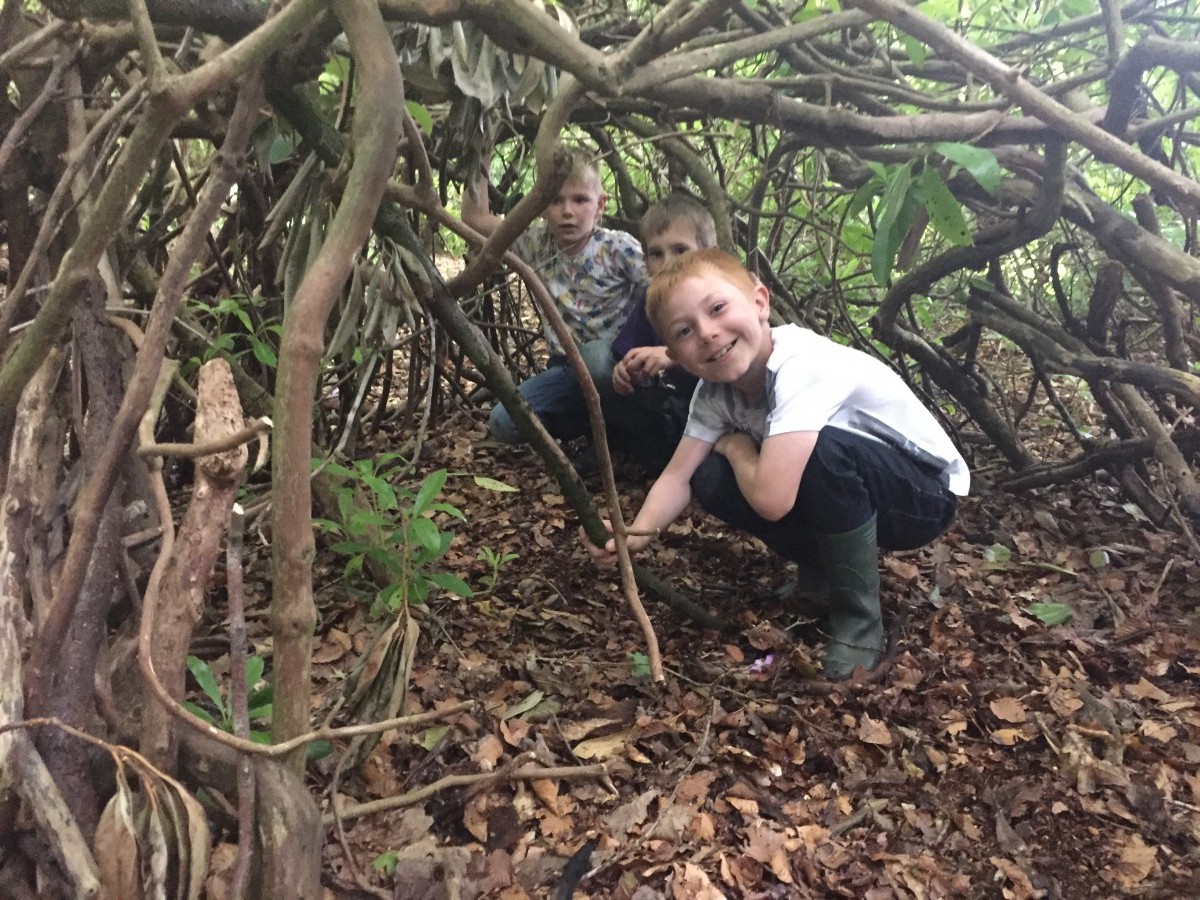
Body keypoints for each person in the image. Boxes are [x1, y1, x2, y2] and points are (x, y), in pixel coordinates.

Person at [583, 248, 969, 680]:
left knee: (820, 452)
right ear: (675, 354)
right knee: (709, 476)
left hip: (923, 496)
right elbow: (678, 476)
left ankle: (859, 618)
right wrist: (633, 536)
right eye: (685, 331)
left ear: (760, 302)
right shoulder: (714, 395)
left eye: (717, 308)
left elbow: (771, 499)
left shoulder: (800, 365)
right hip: (861, 491)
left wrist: (736, 448)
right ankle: (822, 571)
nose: (708, 333)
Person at [462, 146, 647, 455]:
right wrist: (481, 144)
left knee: (596, 360)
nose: (567, 211)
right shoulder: (537, 244)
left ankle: (622, 433)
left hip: (619, 369)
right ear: (540, 206)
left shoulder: (617, 248)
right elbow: (473, 218)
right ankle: (589, 426)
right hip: (566, 371)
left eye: (580, 200)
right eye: (556, 200)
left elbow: (664, 293)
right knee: (504, 422)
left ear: (600, 205)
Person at [581, 193, 717, 474]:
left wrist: (673, 355)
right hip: (673, 408)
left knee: (711, 473)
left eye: (680, 250)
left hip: (719, 413)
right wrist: (624, 371)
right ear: (645, 261)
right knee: (596, 359)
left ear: (708, 253)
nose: (668, 262)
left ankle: (678, 460)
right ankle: (636, 449)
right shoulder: (652, 301)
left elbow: (730, 364)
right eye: (656, 254)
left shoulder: (720, 299)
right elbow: (627, 353)